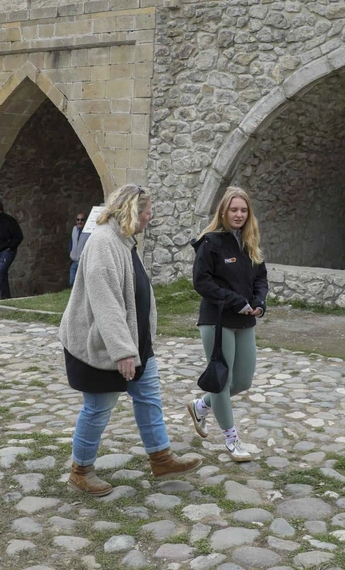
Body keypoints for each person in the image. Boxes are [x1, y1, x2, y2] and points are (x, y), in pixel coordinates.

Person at [58, 184, 201, 496]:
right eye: (147, 211)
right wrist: (122, 351)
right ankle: (80, 471)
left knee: (149, 398)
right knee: (98, 408)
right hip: (101, 346)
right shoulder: (103, 243)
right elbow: (105, 301)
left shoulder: (123, 240)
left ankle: (161, 459)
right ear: (132, 211)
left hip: (136, 343)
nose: (150, 217)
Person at [186, 186, 268, 463]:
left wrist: (259, 302)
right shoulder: (210, 242)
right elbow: (201, 281)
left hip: (245, 320)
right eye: (234, 209)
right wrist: (235, 301)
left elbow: (261, 277)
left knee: (243, 381)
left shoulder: (249, 242)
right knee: (222, 382)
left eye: (243, 210)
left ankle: (201, 405)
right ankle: (232, 440)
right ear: (223, 211)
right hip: (217, 320)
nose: (239, 214)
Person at [67, 211, 90, 287]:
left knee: (82, 284)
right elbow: (72, 241)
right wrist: (71, 251)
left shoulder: (89, 232)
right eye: (78, 219)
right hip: (74, 261)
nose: (80, 221)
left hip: (83, 262)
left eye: (82, 220)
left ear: (85, 220)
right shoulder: (74, 229)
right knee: (71, 282)